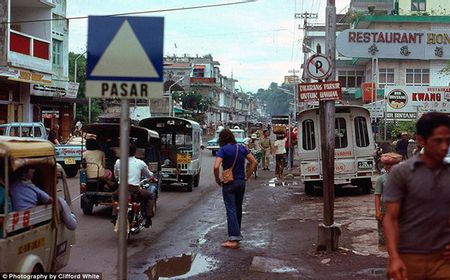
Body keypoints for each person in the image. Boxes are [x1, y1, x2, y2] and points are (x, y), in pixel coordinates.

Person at [383, 112, 450, 280]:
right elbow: (390, 219)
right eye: (438, 141)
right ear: (421, 141)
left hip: (443, 261)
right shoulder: (401, 173)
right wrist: (394, 258)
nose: (444, 147)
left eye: (447, 141)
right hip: (408, 259)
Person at [213, 129, 257, 249]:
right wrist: (247, 176)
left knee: (231, 209)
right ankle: (236, 235)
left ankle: (233, 238)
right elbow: (254, 162)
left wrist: (217, 179)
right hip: (241, 182)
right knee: (238, 208)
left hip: (229, 182)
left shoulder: (223, 150)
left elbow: (216, 166)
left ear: (222, 139)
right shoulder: (241, 148)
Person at [114, 143, 155, 227]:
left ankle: (114, 216)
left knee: (114, 196)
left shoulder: (118, 162)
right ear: (135, 152)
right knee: (150, 196)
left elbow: (116, 174)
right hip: (134, 190)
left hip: (121, 189)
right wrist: (152, 177)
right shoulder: (140, 163)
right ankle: (148, 218)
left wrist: (118, 178)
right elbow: (149, 175)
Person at [373, 152, 402, 247]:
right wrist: (378, 211)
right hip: (385, 208)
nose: (388, 167)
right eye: (386, 164)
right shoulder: (381, 179)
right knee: (386, 235)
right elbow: (377, 195)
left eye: (392, 164)